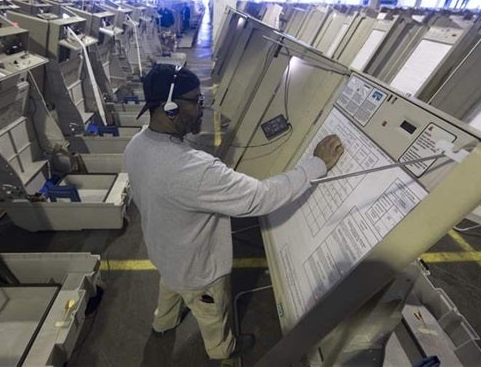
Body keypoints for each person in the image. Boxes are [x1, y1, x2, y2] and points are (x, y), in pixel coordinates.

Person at [123, 64, 344, 360]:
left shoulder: (137, 144)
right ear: (171, 108)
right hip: (198, 271)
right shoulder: (194, 170)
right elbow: (260, 197)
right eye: (196, 101)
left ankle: (163, 323)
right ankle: (221, 350)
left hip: (164, 253)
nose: (202, 108)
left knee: (170, 291)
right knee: (212, 316)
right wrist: (316, 165)